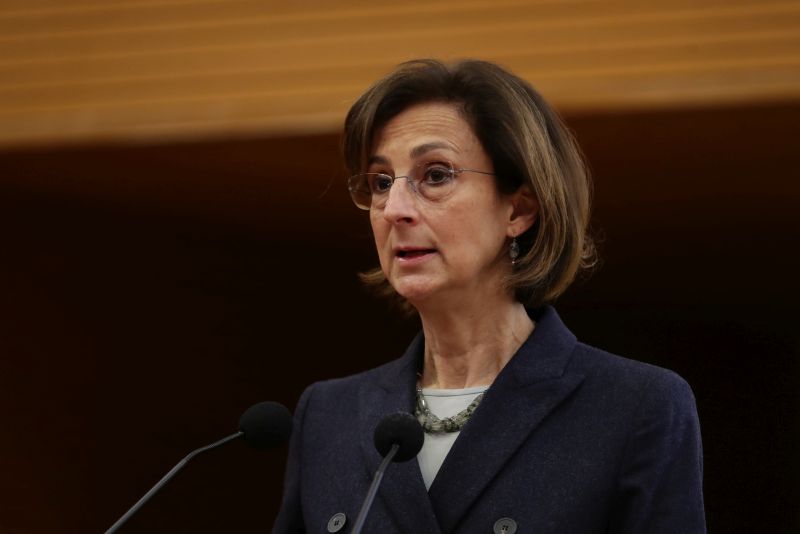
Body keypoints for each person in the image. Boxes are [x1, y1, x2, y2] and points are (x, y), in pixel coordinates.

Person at [272, 59, 705, 534]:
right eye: (381, 182)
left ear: (518, 210)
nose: (394, 209)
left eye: (435, 175)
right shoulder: (327, 415)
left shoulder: (634, 406)